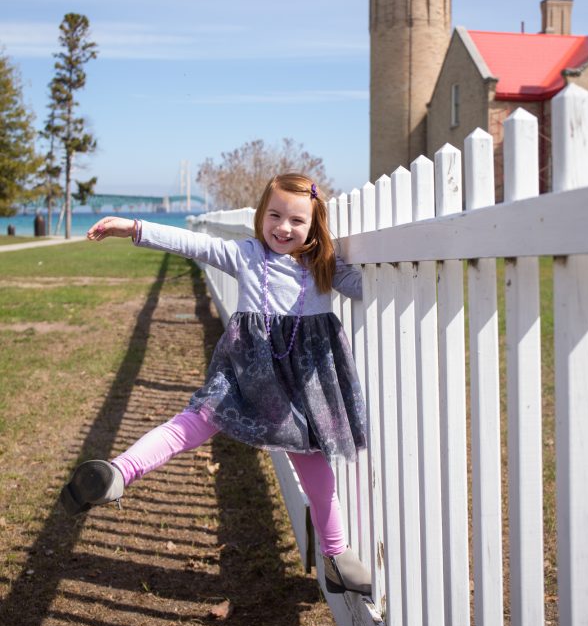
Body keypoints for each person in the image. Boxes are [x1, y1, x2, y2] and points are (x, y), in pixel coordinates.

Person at [61, 173, 370, 596]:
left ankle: (335, 556)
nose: (283, 228)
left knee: (315, 467)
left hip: (298, 390)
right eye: (275, 215)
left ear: (314, 224)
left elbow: (370, 284)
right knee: (191, 423)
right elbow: (190, 243)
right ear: (262, 215)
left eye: (296, 221)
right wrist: (133, 227)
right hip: (246, 373)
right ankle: (117, 472)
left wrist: (425, 262)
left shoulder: (324, 265)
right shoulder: (246, 255)